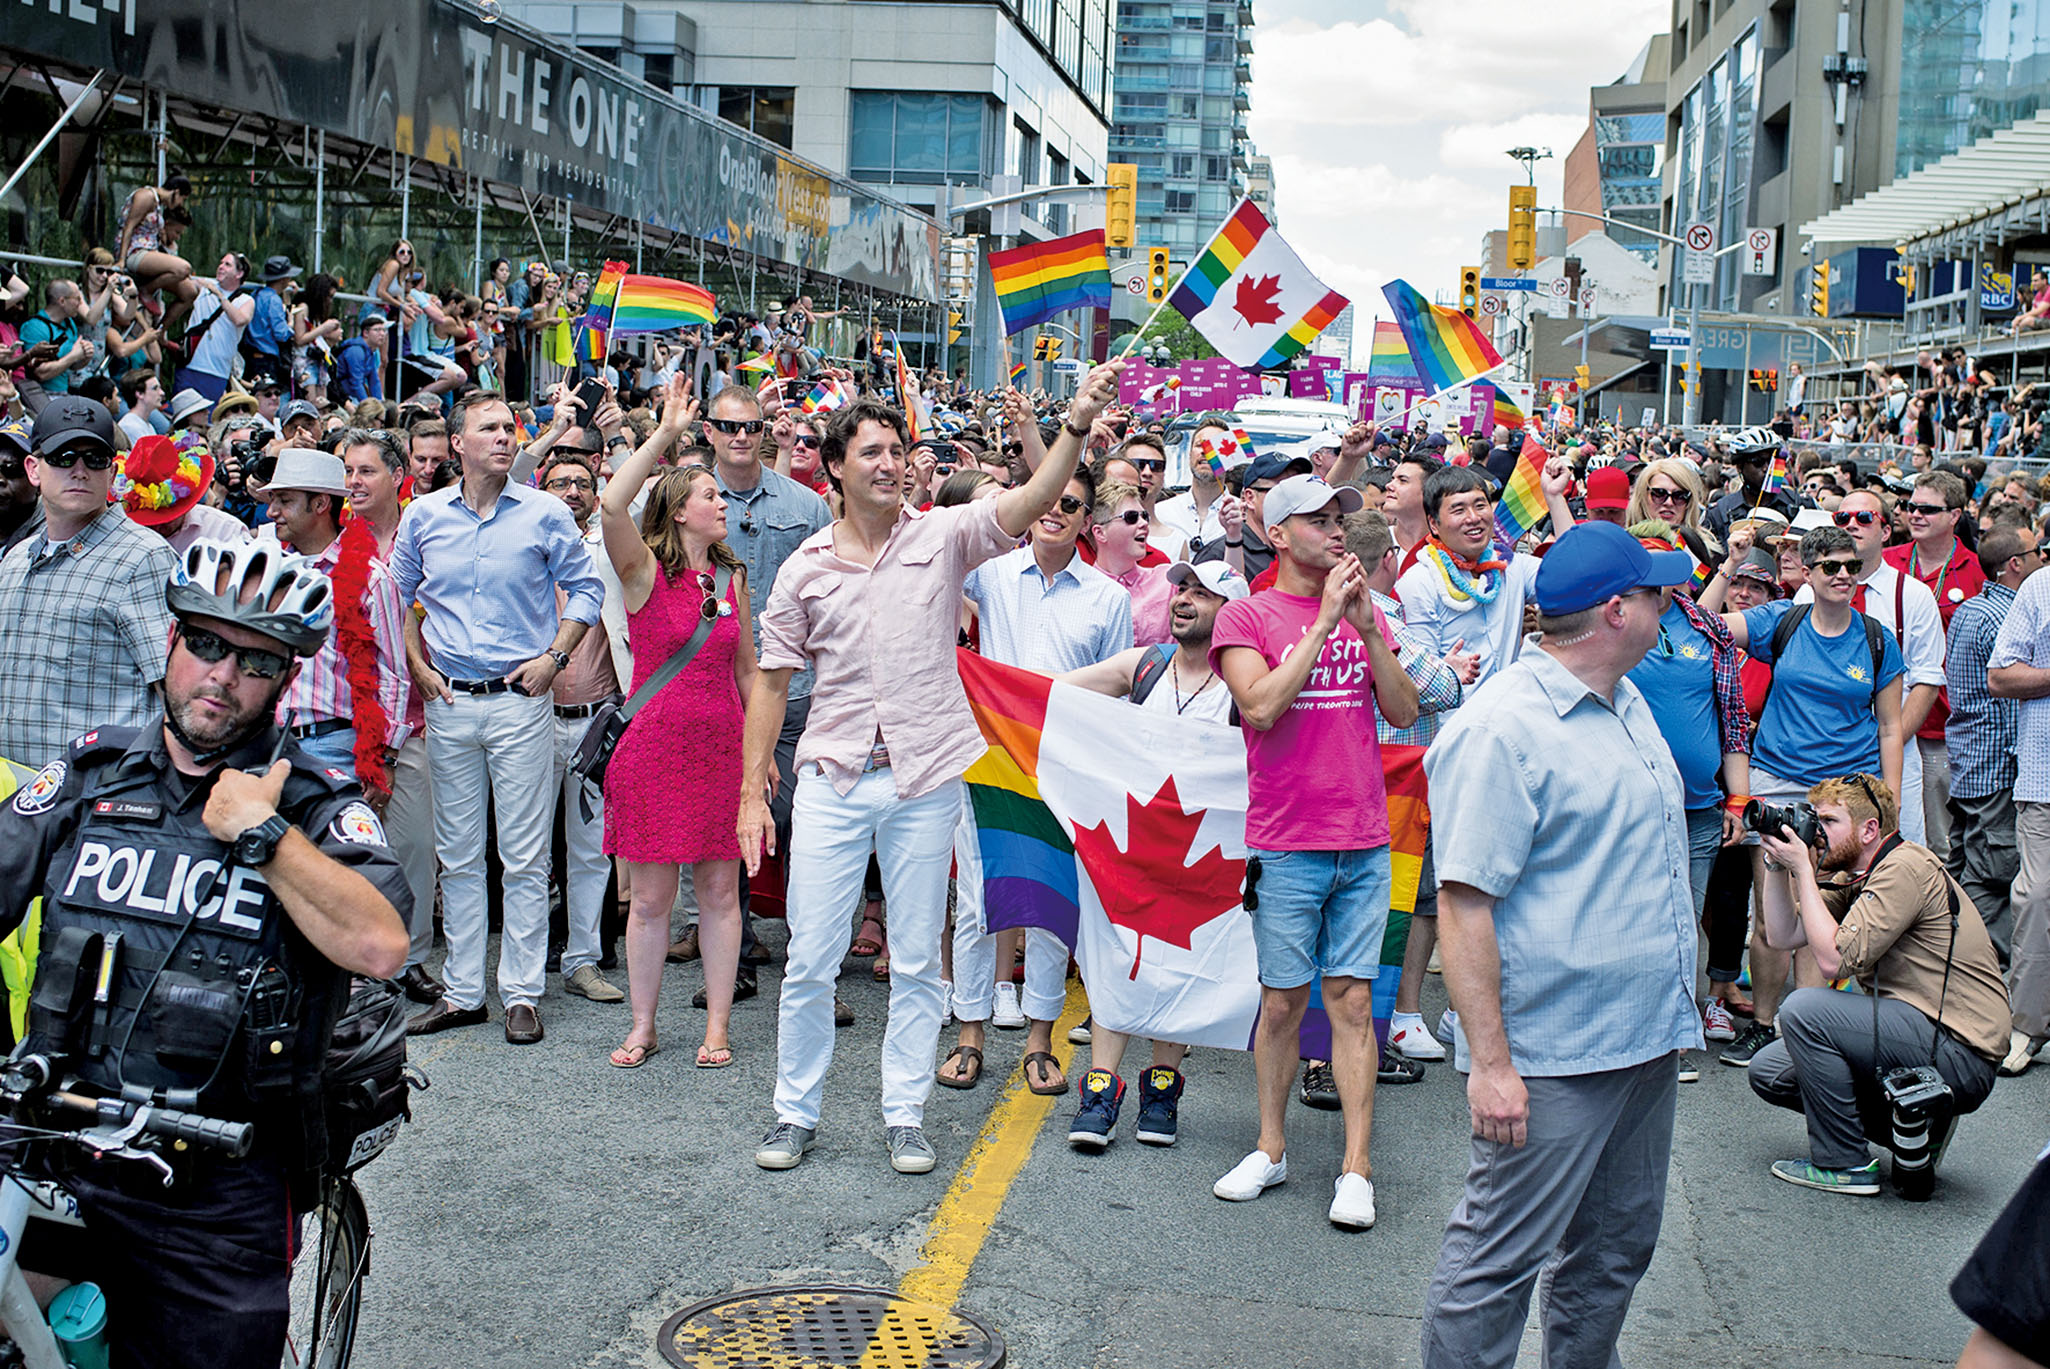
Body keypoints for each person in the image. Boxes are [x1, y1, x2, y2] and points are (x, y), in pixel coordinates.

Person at [0, 536, 408, 1366]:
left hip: (216, 1189)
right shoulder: (90, 775)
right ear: (172, 643)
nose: (221, 676)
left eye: (254, 661)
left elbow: (379, 943)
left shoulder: (314, 807)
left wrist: (265, 835)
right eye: (207, 644)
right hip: (55, 1142)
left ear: (286, 680)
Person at [740, 366, 1119, 1178]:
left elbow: (1022, 503)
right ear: (835, 466)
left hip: (925, 779)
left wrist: (1076, 426)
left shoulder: (943, 534)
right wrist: (751, 794)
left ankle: (904, 1114)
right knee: (810, 955)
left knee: (917, 959)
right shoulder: (805, 565)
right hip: (834, 779)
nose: (888, 462)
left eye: (897, 450)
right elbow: (772, 678)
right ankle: (793, 1110)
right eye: (870, 451)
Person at [1420, 521, 1702, 1369]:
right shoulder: (1500, 729)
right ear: (1619, 611)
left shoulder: (1625, 695)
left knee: (1614, 1253)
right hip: (1552, 1057)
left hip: (1643, 1039)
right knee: (1496, 1265)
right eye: (1657, 593)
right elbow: (1465, 906)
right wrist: (1495, 1066)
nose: (1670, 603)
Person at [1208, 473, 1419, 1231]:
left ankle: (1356, 1167)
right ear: (1277, 532)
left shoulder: (1365, 613)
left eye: (1342, 517)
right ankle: (1271, 1147)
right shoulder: (1247, 614)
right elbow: (1259, 706)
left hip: (1362, 838)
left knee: (1355, 1001)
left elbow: (1402, 708)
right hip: (1287, 841)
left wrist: (1363, 629)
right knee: (1282, 1001)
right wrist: (1326, 622)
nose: (1338, 530)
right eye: (1319, 518)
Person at [390, 390, 604, 1046]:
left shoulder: (544, 512)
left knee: (525, 853)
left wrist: (555, 656)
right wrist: (417, 666)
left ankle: (521, 991)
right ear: (457, 442)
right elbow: (397, 596)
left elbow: (588, 589)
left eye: (509, 427)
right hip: (449, 700)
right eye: (489, 428)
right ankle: (462, 991)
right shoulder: (423, 516)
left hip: (521, 701)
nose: (505, 437)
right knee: (458, 854)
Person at [1057, 558, 1249, 1147]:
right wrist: (984, 679)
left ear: (1232, 612)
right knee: (1118, 958)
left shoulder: (1246, 686)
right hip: (1133, 849)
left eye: (1202, 592)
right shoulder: (1145, 666)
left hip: (1204, 854)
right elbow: (1049, 695)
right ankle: (1099, 1089)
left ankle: (1162, 1089)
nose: (1184, 599)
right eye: (1180, 588)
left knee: (1181, 965)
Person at [1745, 776, 2008, 1195]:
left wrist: (1803, 871)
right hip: (1918, 1039)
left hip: (1960, 1050)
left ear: (1869, 830)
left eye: (1829, 821)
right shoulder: (1858, 876)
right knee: (1771, 1070)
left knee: (1804, 1009)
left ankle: (1844, 1163)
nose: (1818, 831)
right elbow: (1782, 934)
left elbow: (1832, 961)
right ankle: (1916, 1123)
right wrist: (1779, 865)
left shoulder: (1905, 867)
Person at [598, 379, 757, 1070]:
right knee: (653, 898)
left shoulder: (733, 579)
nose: (723, 503)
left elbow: (749, 673)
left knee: (721, 894)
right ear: (680, 512)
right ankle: (643, 1024)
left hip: (721, 745)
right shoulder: (640, 573)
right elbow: (610, 503)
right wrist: (662, 438)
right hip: (654, 748)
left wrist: (759, 759)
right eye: (711, 497)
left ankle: (716, 1026)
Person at [1714, 524, 1906, 1068]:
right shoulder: (1783, 621)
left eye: (1851, 566)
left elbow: (1889, 727)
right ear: (1810, 573)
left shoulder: (1876, 638)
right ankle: (1766, 1022)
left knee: (1820, 909)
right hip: (1778, 779)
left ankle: (1804, 1026)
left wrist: (1886, 804)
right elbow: (1700, 622)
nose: (1844, 575)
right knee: (1771, 909)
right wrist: (1728, 564)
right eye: (1831, 567)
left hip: (1846, 794)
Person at [702, 380, 831, 975]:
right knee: (726, 823)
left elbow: (832, 591)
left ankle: (814, 962)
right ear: (709, 432)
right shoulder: (692, 501)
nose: (740, 438)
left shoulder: (805, 507)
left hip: (794, 690)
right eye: (728, 427)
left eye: (750, 426)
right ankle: (737, 956)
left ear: (765, 430)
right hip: (716, 692)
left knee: (811, 831)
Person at [0, 397, 178, 766]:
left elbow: (178, 694)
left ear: (112, 474)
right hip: (15, 802)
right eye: (64, 457)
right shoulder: (15, 559)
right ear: (34, 469)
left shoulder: (144, 557)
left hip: (94, 797)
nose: (80, 470)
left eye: (95, 459)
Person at [337, 427, 442, 1006]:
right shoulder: (335, 541)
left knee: (412, 846)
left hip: (422, 717)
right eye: (347, 471)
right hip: (347, 721)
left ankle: (413, 957)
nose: (353, 482)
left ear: (397, 479)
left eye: (366, 471)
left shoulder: (424, 532)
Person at [1804, 489, 1946, 847]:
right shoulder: (1808, 595)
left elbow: (1926, 681)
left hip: (1891, 759)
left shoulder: (1911, 595)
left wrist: (1887, 744)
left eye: (1864, 518)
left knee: (1890, 856)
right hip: (1823, 753)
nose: (1852, 525)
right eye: (1842, 518)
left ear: (1885, 531)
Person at [1947, 527, 2038, 975]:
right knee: (1991, 878)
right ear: (2015, 564)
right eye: (2035, 552)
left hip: (1971, 764)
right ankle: (1978, 974)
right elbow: (2004, 694)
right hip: (1995, 767)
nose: (2043, 558)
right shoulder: (2000, 617)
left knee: (1969, 872)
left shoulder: (1971, 609)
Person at [1395, 461, 1575, 686]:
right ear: (1433, 523)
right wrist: (1446, 674)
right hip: (1452, 720)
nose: (1473, 517)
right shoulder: (1418, 582)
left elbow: (1574, 576)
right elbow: (1416, 681)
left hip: (1508, 717)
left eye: (1480, 505)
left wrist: (1555, 497)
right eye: (1458, 510)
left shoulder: (1511, 566)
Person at [1888, 470, 1984, 857]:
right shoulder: (1889, 561)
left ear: (1955, 515)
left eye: (1928, 509)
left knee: (1938, 841)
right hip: (1882, 716)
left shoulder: (1975, 569)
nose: (1915, 515)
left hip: (1944, 725)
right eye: (1911, 507)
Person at [1993, 551, 2050, 1078]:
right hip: (2044, 779)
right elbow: (2001, 676)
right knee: (2035, 899)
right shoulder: (2040, 588)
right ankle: (2026, 1024)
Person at [1090, 479, 1173, 646]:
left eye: (1144, 516)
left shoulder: (1168, 580)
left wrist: (1233, 537)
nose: (1143, 524)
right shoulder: (1081, 590)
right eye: (1131, 517)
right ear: (1100, 533)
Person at [173, 253, 255, 403]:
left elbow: (240, 319)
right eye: (221, 263)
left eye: (227, 265)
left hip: (216, 371)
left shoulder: (246, 300)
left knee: (208, 418)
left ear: (239, 273)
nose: (221, 267)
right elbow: (182, 282)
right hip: (190, 365)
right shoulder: (204, 288)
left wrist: (219, 295)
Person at [243, 256, 300, 388]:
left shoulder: (256, 294)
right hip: (267, 358)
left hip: (252, 353)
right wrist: (290, 323)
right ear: (284, 279)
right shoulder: (274, 300)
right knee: (269, 394)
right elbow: (281, 334)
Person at [336, 315, 387, 405]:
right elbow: (356, 382)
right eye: (377, 330)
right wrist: (367, 405)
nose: (382, 334)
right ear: (366, 333)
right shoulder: (356, 351)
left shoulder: (370, 351)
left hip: (354, 395)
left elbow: (374, 380)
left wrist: (379, 403)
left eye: (383, 330)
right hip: (343, 396)